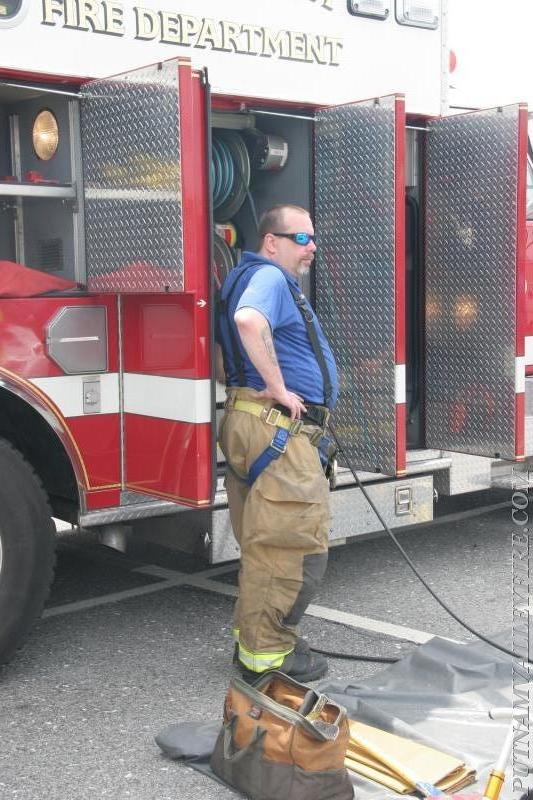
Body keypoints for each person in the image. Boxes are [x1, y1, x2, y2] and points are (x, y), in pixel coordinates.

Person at [216, 204, 338, 683]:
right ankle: (267, 657)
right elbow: (249, 322)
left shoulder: (245, 276)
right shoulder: (267, 278)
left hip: (254, 422)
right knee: (292, 546)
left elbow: (232, 345)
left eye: (312, 238)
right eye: (301, 239)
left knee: (265, 545)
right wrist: (280, 388)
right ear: (272, 242)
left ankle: (256, 642)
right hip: (276, 428)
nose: (312, 248)